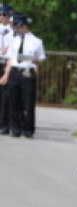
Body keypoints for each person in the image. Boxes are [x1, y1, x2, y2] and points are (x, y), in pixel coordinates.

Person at [0, 13, 45, 139]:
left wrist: (29, 59)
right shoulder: (15, 41)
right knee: (14, 101)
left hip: (27, 71)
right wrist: (6, 75)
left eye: (17, 27)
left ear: (24, 26)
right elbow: (10, 59)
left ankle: (28, 129)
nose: (15, 29)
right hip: (15, 71)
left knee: (28, 102)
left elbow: (41, 58)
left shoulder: (36, 41)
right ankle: (15, 128)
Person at [0, 5, 13, 135]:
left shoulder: (12, 29)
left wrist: (8, 49)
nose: (2, 17)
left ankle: (5, 124)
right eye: (1, 15)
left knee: (5, 96)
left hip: (6, 63)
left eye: (4, 15)